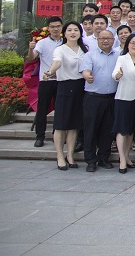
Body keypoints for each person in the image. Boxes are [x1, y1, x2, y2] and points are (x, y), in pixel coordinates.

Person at [44, 21, 87, 170]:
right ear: (65, 33)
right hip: (65, 87)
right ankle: (60, 155)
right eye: (69, 30)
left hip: (80, 87)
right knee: (61, 125)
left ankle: (70, 155)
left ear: (80, 33)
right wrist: (50, 72)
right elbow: (57, 63)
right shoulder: (60, 49)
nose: (73, 32)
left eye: (76, 30)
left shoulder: (84, 49)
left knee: (74, 125)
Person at [79, 29, 119, 172]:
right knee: (90, 130)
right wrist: (87, 76)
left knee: (107, 130)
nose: (105, 41)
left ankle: (103, 158)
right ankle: (90, 160)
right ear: (97, 40)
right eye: (102, 38)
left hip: (112, 98)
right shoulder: (89, 55)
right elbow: (85, 70)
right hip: (93, 98)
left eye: (108, 38)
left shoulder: (119, 55)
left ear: (113, 40)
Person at [112, 33, 135, 173]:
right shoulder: (122, 59)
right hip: (124, 98)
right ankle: (122, 160)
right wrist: (118, 75)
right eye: (132, 43)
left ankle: (127, 156)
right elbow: (115, 74)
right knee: (122, 129)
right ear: (128, 45)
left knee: (131, 130)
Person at [29, 16, 63, 147]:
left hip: (61, 80)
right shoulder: (42, 43)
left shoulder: (66, 42)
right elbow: (32, 57)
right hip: (46, 80)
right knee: (42, 109)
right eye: (52, 27)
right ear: (48, 28)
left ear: (61, 27)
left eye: (58, 26)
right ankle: (40, 136)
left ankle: (57, 135)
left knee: (60, 109)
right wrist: (31, 48)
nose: (55, 29)